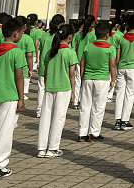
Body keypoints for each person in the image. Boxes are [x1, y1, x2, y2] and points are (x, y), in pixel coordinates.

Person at [37, 24, 77, 158]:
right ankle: (53, 148)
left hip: (49, 87)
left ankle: (41, 148)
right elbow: (72, 74)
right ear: (70, 37)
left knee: (45, 117)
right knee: (58, 118)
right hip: (63, 88)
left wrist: (48, 84)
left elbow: (46, 71)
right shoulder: (70, 52)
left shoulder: (50, 51)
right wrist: (73, 91)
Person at [0, 18, 27, 179]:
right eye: (21, 32)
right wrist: (21, 98)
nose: (22, 34)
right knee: (4, 132)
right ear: (16, 34)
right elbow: (19, 77)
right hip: (9, 96)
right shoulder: (17, 52)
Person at [78, 21, 117, 142]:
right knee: (98, 107)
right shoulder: (110, 48)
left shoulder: (88, 46)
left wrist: (82, 77)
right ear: (107, 35)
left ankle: (82, 133)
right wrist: (113, 80)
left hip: (88, 79)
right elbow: (113, 66)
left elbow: (82, 64)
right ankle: (94, 132)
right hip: (102, 79)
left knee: (85, 106)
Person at [114, 15, 134, 131]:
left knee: (120, 93)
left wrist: (118, 67)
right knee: (130, 94)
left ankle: (117, 120)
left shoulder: (122, 38)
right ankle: (125, 120)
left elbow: (118, 54)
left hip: (122, 67)